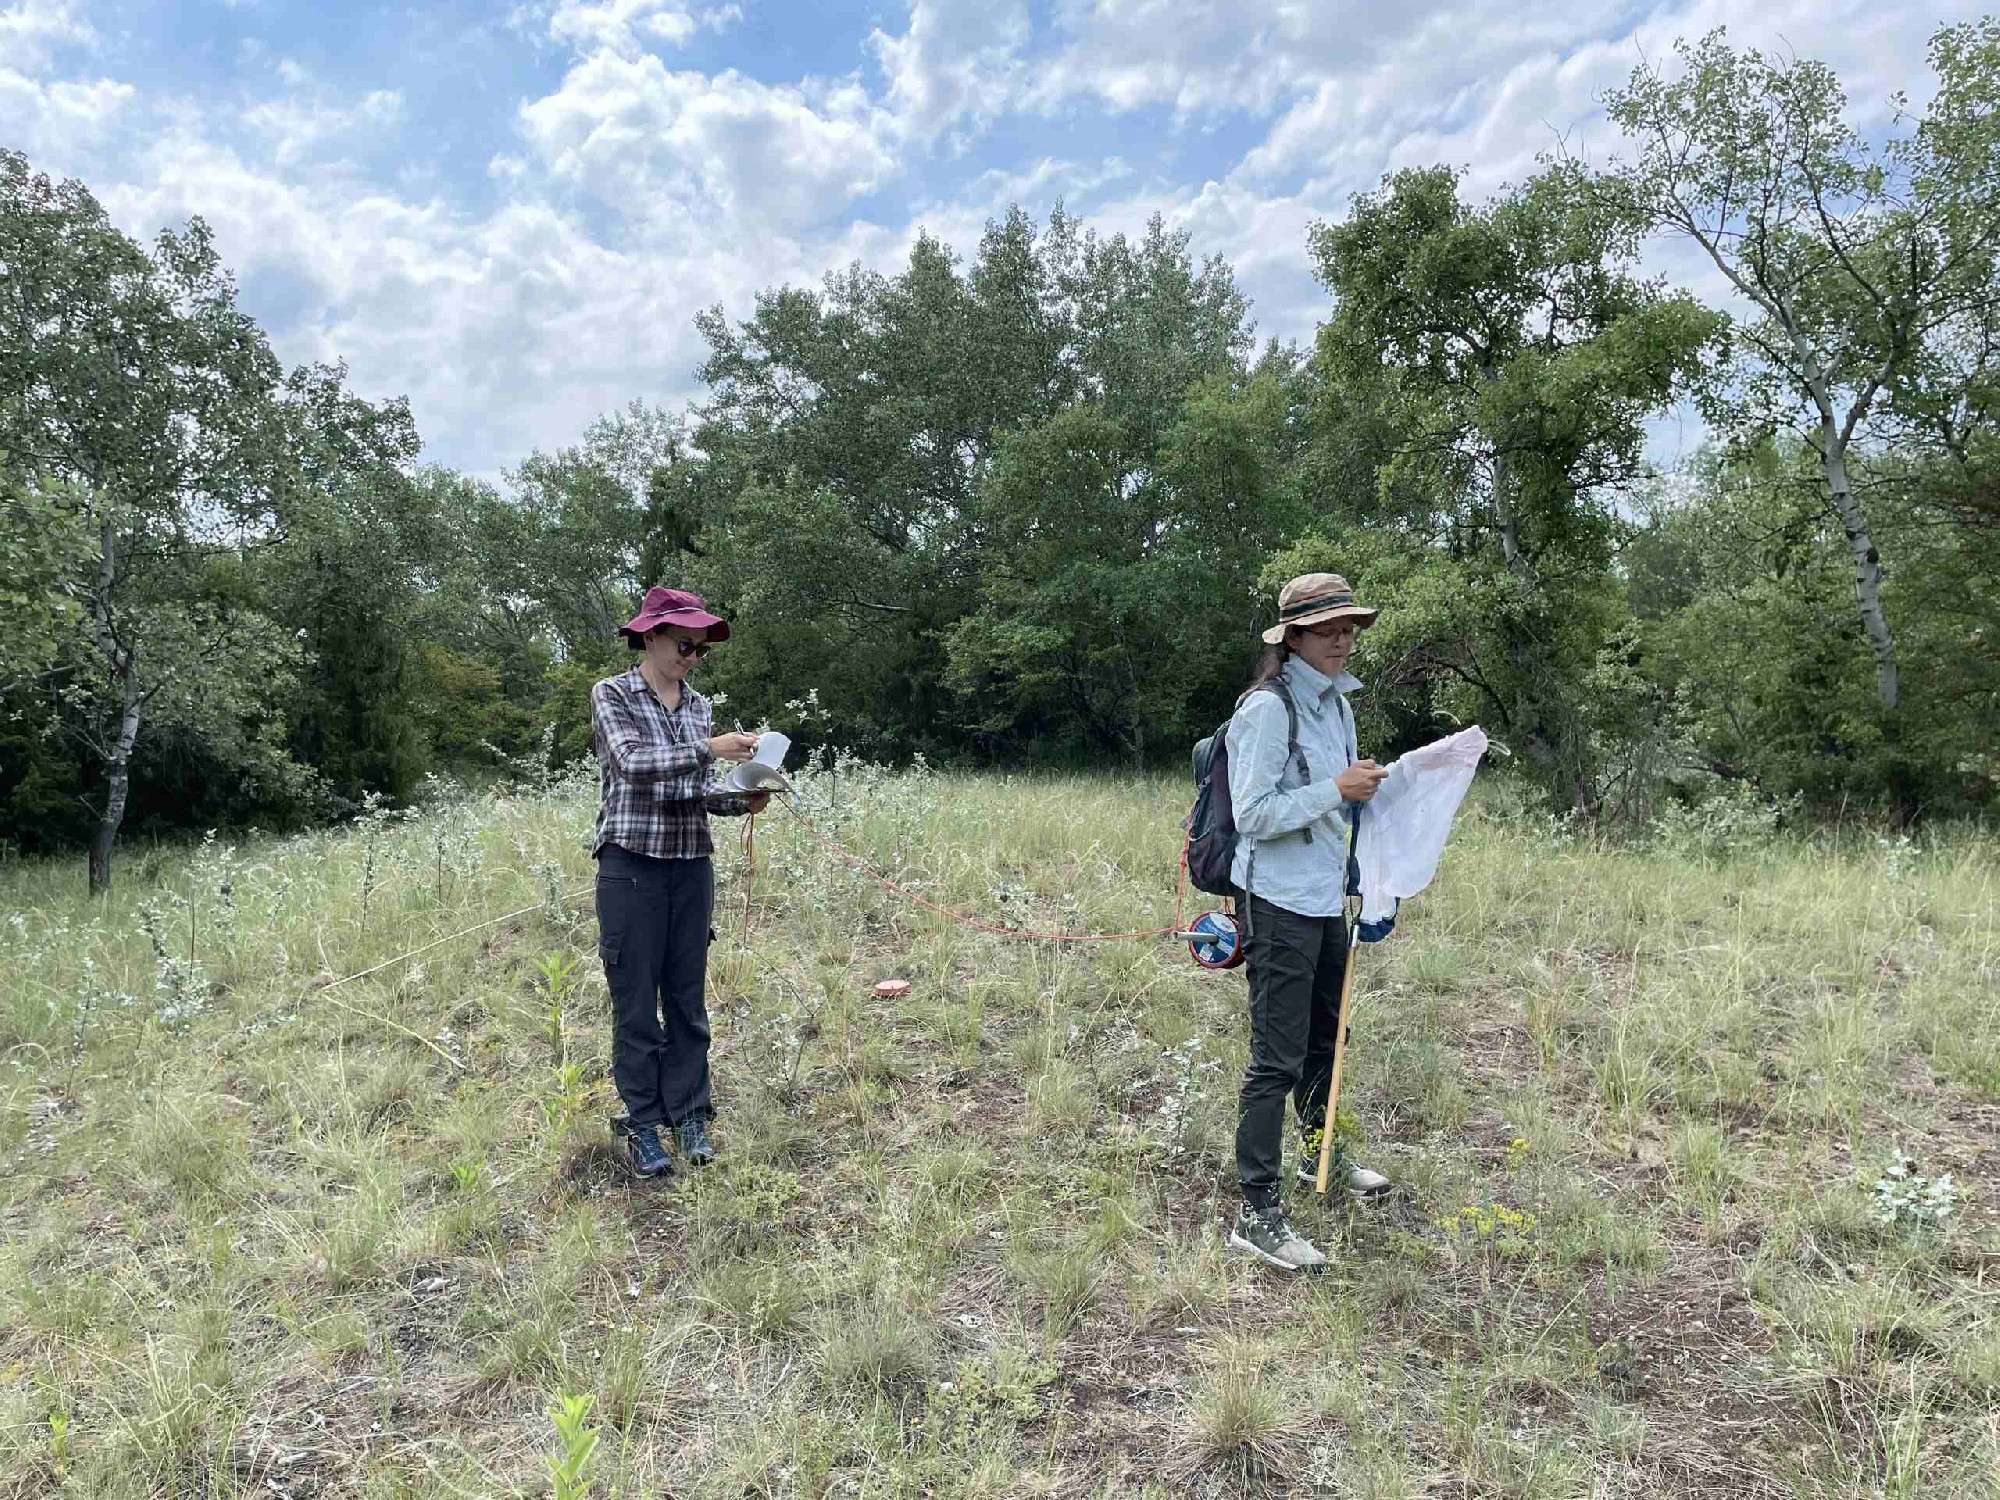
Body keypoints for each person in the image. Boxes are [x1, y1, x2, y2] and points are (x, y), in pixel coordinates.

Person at [1223, 572, 1392, 1273]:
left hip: (1325, 899)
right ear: (1292, 638)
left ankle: (1322, 1156)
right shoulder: (1267, 709)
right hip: (1276, 903)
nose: (1343, 640)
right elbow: (1252, 814)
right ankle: (1255, 1214)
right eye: (1329, 629)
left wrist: (1362, 861)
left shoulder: (1339, 707)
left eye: (1350, 628)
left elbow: (1336, 806)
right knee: (1276, 1058)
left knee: (1328, 1039)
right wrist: (1336, 790)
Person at [590, 585, 769, 1180]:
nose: (693, 657)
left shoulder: (696, 707)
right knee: (636, 1003)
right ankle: (643, 1123)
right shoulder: (612, 694)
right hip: (631, 865)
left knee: (687, 999)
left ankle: (690, 1114)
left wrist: (739, 799)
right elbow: (634, 767)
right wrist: (709, 749)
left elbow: (688, 791)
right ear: (650, 637)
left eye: (701, 650)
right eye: (684, 645)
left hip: (690, 865)